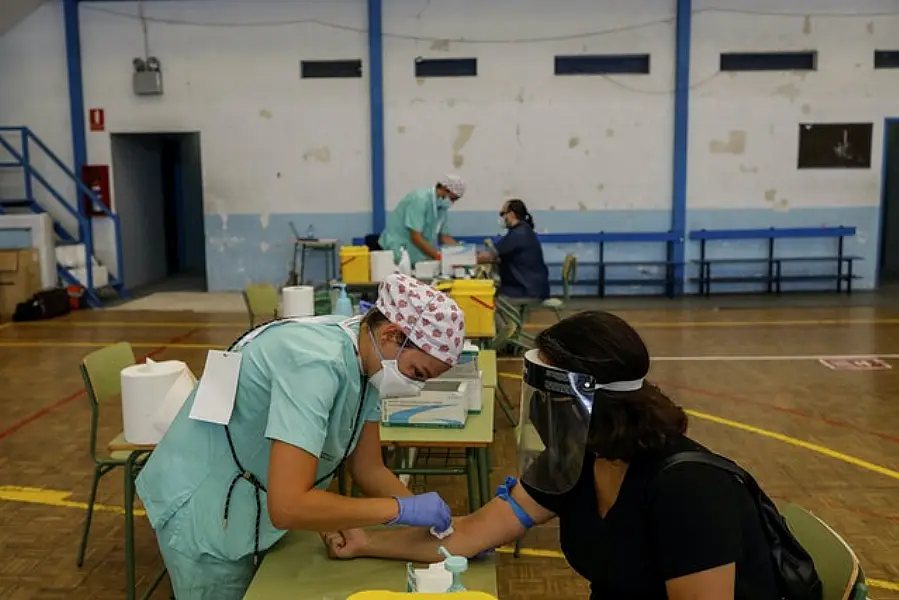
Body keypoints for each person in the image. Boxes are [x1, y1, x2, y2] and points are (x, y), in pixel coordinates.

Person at [323, 311, 782, 600]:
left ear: (575, 400)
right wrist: (369, 542)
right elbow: (473, 533)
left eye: (542, 396)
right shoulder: (575, 461)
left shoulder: (690, 490)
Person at [135, 274, 467, 599]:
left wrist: (420, 512)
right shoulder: (315, 365)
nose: (414, 386)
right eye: (417, 374)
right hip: (205, 504)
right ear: (392, 335)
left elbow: (368, 469)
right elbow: (289, 505)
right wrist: (398, 510)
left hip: (255, 498)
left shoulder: (366, 355)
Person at [379, 175, 465, 265]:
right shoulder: (420, 199)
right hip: (397, 252)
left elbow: (445, 237)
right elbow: (416, 238)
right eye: (452, 198)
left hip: (417, 257)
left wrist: (463, 254)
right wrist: (439, 257)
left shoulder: (441, 208)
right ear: (444, 189)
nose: (452, 202)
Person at [477, 198, 549, 301]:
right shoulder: (523, 230)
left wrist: (465, 259)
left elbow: (491, 256)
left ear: (512, 214)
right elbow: (499, 255)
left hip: (526, 290)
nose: (502, 217)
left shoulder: (518, 234)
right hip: (533, 287)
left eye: (503, 214)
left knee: (487, 297)